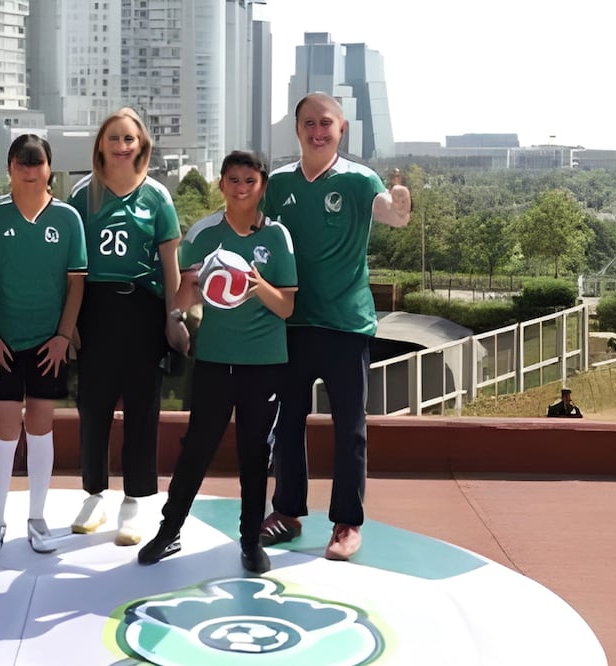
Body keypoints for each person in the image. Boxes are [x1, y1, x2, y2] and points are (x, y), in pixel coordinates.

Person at [260, 93, 411, 561]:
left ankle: (346, 523)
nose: (317, 130)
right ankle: (286, 511)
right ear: (298, 129)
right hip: (292, 321)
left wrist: (402, 203)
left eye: (326, 123)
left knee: (350, 428)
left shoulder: (359, 179)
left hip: (346, 324)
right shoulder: (278, 182)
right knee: (287, 423)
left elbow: (393, 215)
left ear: (341, 129)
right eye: (309, 123)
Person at [138, 151, 298, 573]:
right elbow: (186, 294)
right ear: (222, 184)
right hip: (214, 359)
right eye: (233, 180)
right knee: (196, 449)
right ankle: (169, 531)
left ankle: (249, 542)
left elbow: (286, 308)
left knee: (253, 454)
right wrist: (179, 310)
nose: (241, 188)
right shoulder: (206, 233)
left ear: (262, 185)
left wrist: (255, 283)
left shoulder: (277, 236)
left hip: (264, 363)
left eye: (250, 180)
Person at [67, 108, 190, 546]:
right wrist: (69, 322)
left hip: (142, 308)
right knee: (93, 406)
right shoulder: (83, 195)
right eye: (114, 138)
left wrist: (174, 318)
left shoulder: (157, 196)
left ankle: (136, 501)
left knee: (143, 409)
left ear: (142, 145)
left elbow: (170, 265)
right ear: (101, 143)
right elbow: (70, 265)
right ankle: (94, 493)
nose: (122, 146)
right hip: (95, 310)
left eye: (129, 138)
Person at [0, 135, 87, 556]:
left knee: (40, 426)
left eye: (37, 162)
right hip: (1, 341)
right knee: (3, 429)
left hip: (48, 343)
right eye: (21, 162)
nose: (29, 169)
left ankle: (37, 519)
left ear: (49, 168)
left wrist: (61, 337)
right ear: (10, 168)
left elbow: (77, 283)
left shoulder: (69, 219)